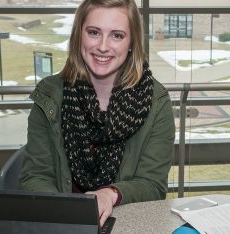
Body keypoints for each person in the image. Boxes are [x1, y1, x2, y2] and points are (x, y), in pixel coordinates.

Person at [20, 0, 175, 226]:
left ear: (131, 42)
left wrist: (109, 194)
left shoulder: (156, 102)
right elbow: (35, 177)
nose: (103, 46)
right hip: (61, 224)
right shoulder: (49, 96)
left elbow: (152, 185)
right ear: (78, 36)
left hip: (128, 224)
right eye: (94, 32)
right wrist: (64, 214)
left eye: (117, 36)